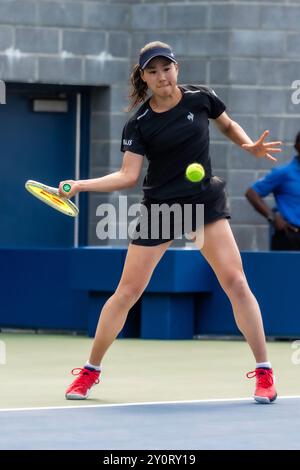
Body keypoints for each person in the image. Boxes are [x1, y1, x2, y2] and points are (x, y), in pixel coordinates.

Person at [59, 41, 282, 403]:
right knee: (127, 293)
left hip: (203, 202)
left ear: (177, 68)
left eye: (166, 68)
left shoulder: (201, 98)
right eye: (152, 70)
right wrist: (81, 185)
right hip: (160, 209)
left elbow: (227, 123)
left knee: (236, 282)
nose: (161, 76)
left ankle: (264, 373)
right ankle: (89, 371)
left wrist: (247, 146)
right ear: (143, 77)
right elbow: (128, 176)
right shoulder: (140, 123)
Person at [246, 131, 300, 250]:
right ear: (297, 145)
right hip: (291, 238)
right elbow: (252, 193)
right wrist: (273, 217)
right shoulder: (284, 172)